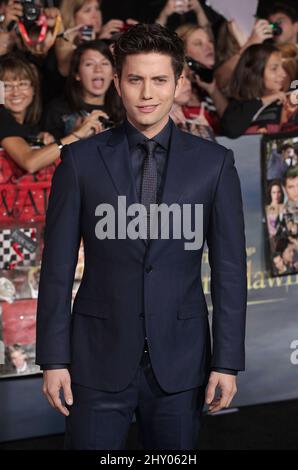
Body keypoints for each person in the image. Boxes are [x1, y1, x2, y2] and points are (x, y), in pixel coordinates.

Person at [36, 23, 247, 450]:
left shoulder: (214, 164)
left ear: (179, 83)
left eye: (158, 80)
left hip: (182, 362)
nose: (147, 93)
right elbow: (56, 268)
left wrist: (226, 362)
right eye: (135, 80)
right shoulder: (79, 161)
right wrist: (54, 359)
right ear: (118, 83)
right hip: (95, 360)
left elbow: (230, 272)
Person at [0, 53, 103, 174]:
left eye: (22, 84)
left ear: (33, 89)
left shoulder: (30, 124)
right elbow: (30, 163)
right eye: (7, 86)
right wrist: (77, 135)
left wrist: (37, 142)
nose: (16, 92)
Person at [44, 40, 124, 139]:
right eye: (89, 64)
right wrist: (76, 134)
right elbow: (48, 151)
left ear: (113, 73)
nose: (98, 69)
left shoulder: (125, 110)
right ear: (77, 74)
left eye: (104, 63)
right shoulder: (57, 110)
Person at [221, 43, 287, 138]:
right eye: (274, 68)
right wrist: (263, 101)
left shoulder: (287, 100)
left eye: (282, 67)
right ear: (255, 72)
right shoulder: (238, 107)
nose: (283, 74)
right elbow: (232, 129)